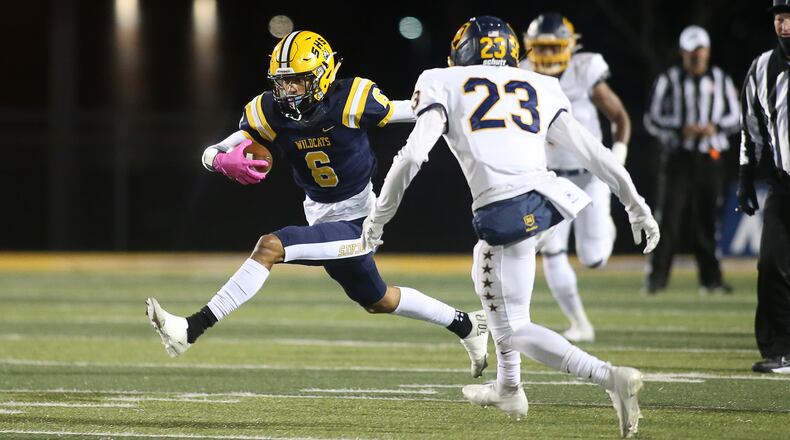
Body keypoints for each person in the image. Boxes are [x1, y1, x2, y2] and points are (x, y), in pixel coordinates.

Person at [362, 16, 659, 438]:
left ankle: (609, 377)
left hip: (504, 207)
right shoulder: (539, 83)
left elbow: (411, 159)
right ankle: (508, 387)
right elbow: (594, 151)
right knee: (497, 290)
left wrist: (377, 220)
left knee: (513, 323)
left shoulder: (441, 80)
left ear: (463, 51)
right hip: (551, 199)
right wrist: (636, 205)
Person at [144, 30, 490, 379]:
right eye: (283, 83)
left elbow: (411, 111)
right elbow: (211, 151)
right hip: (321, 216)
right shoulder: (269, 110)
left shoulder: (352, 99)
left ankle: (191, 329)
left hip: (359, 222)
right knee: (377, 300)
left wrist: (463, 109)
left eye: (297, 82)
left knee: (269, 247)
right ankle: (467, 325)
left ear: (322, 75)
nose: (288, 91)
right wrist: (220, 162)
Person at [520, 13, 632, 342]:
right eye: (542, 48)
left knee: (593, 258)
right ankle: (580, 323)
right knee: (552, 251)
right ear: (529, 47)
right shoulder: (521, 75)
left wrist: (618, 158)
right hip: (550, 178)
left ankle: (604, 225)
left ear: (571, 46)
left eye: (555, 48)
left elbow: (620, 116)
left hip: (590, 176)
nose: (550, 56)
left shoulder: (586, 70)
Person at [643, 25, 741, 295]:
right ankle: (656, 279)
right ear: (683, 53)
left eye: (700, 50)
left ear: (707, 51)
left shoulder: (721, 79)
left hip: (710, 158)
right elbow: (651, 118)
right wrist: (678, 128)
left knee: (708, 220)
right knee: (668, 219)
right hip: (678, 158)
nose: (696, 56)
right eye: (691, 51)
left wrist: (715, 127)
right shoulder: (669, 79)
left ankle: (711, 281)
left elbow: (736, 117)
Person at [739, 0, 790, 374]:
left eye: (789, 18)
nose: (784, 25)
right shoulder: (761, 68)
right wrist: (744, 178)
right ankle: (781, 351)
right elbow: (751, 129)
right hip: (783, 185)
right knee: (771, 263)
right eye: (779, 17)